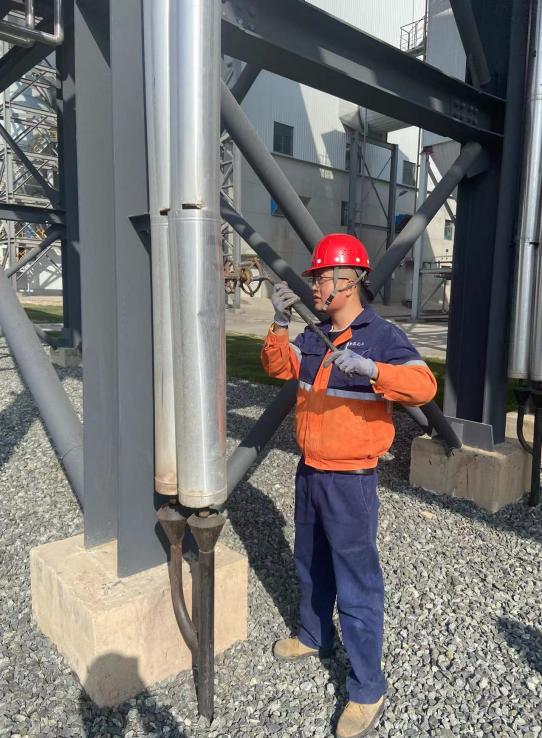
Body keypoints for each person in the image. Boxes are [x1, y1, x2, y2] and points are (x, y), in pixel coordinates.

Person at [260, 233, 437, 738]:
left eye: (321, 277)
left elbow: (424, 385)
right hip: (311, 471)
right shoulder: (314, 335)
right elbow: (277, 367)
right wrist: (279, 323)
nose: (315, 286)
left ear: (349, 280)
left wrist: (374, 369)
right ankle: (314, 636)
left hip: (350, 480)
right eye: (315, 278)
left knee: (357, 584)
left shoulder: (381, 336)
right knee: (310, 562)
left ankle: (366, 689)